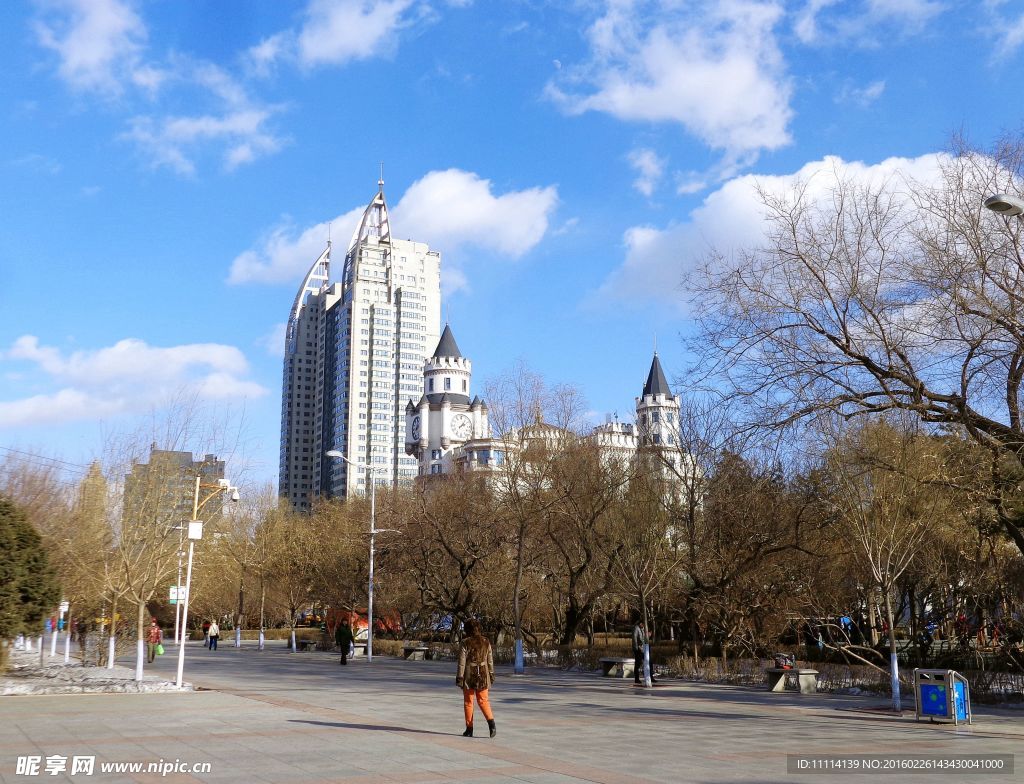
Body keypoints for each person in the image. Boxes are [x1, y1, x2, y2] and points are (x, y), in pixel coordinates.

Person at [456, 619, 496, 738]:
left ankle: (469, 729)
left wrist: (460, 677)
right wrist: (491, 674)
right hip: (483, 674)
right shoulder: (486, 641)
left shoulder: (465, 642)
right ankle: (491, 724)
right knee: (484, 701)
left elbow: (462, 662)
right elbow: (490, 660)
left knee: (469, 702)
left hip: (469, 675)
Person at [632, 616, 655, 684]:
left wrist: (648, 635)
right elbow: (634, 639)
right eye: (643, 624)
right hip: (638, 649)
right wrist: (637, 648)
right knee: (638, 664)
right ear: (640, 623)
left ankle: (651, 676)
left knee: (649, 662)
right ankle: (637, 678)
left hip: (644, 648)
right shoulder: (636, 628)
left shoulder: (643, 629)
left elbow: (644, 638)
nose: (644, 625)